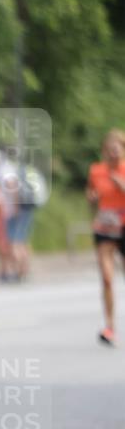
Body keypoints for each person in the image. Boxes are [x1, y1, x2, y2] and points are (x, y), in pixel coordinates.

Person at [86, 129, 125, 346]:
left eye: (117, 150)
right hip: (105, 226)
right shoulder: (96, 171)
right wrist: (91, 198)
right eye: (109, 151)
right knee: (107, 278)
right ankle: (110, 326)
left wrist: (119, 182)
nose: (113, 154)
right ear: (104, 152)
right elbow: (91, 196)